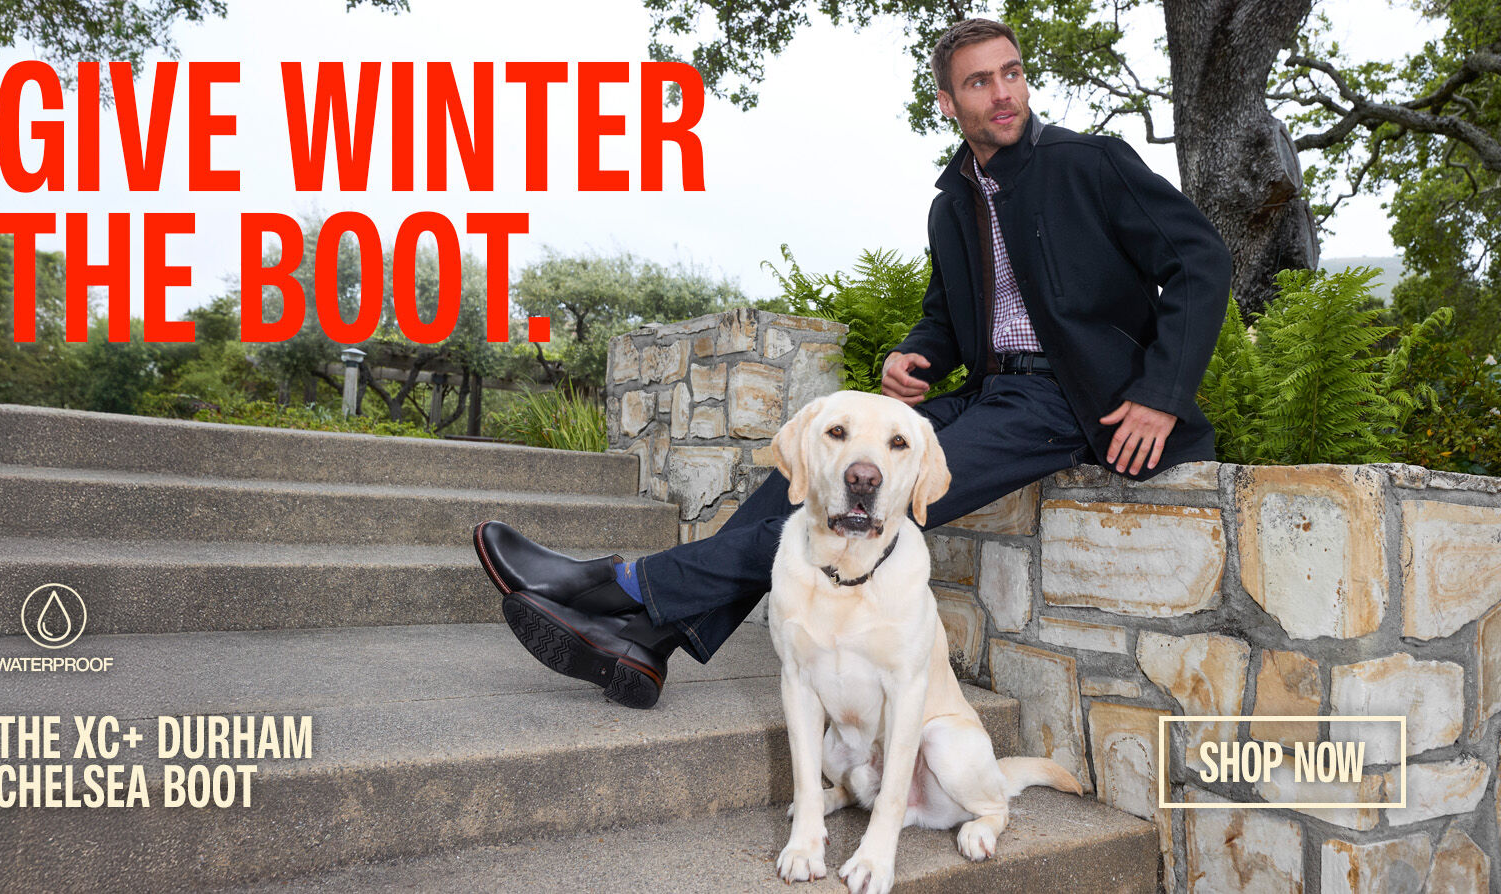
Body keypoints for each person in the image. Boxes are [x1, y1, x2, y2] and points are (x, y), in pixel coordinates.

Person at [474, 18, 1231, 709]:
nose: (1003, 93)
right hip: (993, 393)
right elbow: (948, 315)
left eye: (1012, 73)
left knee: (847, 511)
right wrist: (916, 354)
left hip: (1073, 403)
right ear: (947, 102)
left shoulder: (1090, 164)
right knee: (807, 478)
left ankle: (616, 586)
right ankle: (648, 643)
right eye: (979, 82)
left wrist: (1160, 393)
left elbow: (1200, 259)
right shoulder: (952, 205)